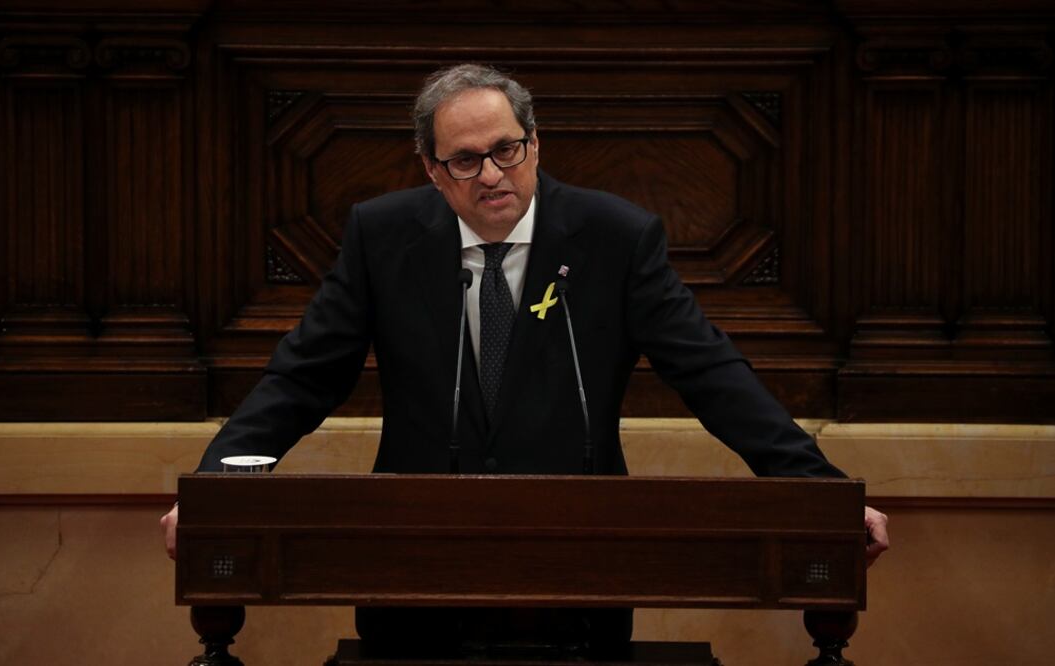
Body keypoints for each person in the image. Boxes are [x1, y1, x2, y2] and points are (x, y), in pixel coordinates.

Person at [161, 63, 888, 649]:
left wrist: (818, 490)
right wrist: (216, 489)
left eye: (506, 150)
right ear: (431, 168)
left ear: (535, 144)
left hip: (575, 558)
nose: (490, 174)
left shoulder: (612, 237)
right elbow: (304, 375)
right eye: (464, 160)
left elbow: (709, 372)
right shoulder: (383, 237)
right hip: (411, 555)